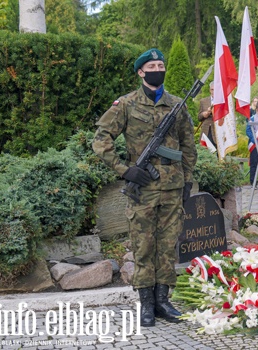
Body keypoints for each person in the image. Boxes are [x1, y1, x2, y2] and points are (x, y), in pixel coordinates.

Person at [92, 48, 197, 327]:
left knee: (167, 245)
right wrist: (126, 170)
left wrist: (187, 180)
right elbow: (101, 139)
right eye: (151, 65)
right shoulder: (126, 104)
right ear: (141, 72)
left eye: (161, 64)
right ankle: (146, 305)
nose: (157, 69)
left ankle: (163, 301)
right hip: (144, 189)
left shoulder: (177, 104)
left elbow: (188, 146)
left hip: (173, 188)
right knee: (143, 245)